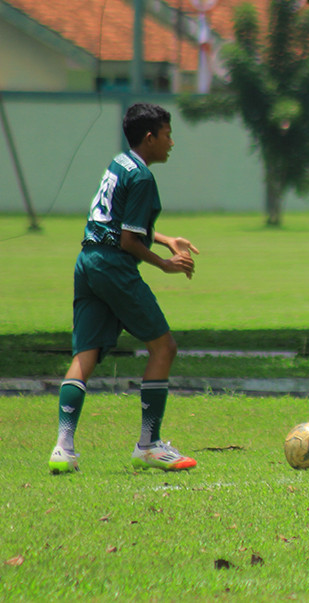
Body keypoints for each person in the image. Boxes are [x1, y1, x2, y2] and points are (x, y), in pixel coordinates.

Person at [49, 103, 200, 474]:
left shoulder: (120, 163)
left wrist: (164, 239)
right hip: (114, 267)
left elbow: (115, 222)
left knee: (85, 354)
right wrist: (166, 264)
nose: (172, 142)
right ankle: (148, 445)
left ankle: (63, 449)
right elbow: (129, 242)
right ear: (149, 138)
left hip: (88, 262)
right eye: (167, 135)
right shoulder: (144, 178)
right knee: (163, 346)